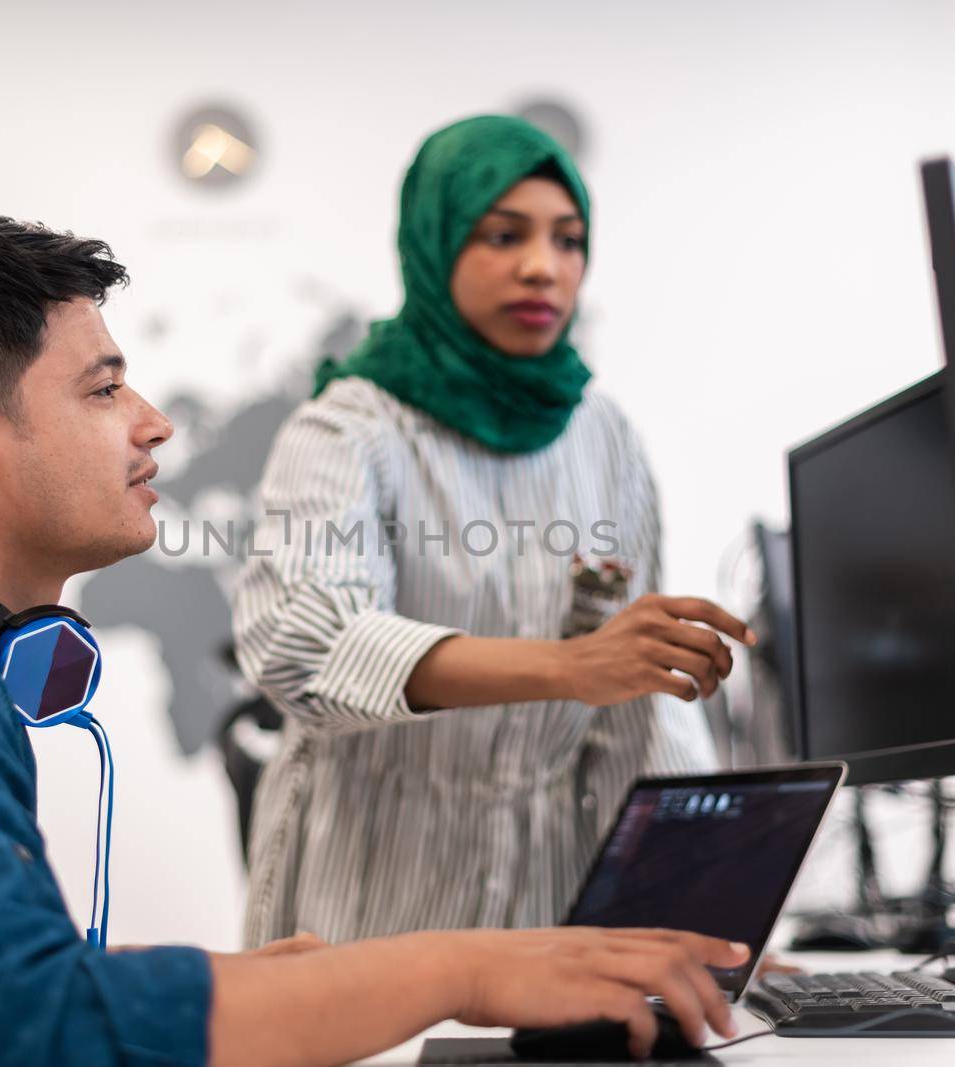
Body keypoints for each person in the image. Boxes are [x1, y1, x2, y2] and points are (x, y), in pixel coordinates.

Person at [0, 209, 750, 1066]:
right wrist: (464, 962)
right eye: (102, 390)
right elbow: (27, 1032)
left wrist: (252, 986)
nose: (155, 422)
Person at [235, 116, 755, 947]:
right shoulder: (348, 428)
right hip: (368, 892)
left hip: (547, 894)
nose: (543, 266)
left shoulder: (604, 436)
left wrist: (704, 914)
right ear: (435, 245)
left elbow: (638, 712)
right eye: (503, 235)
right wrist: (569, 666)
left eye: (569, 239)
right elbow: (304, 643)